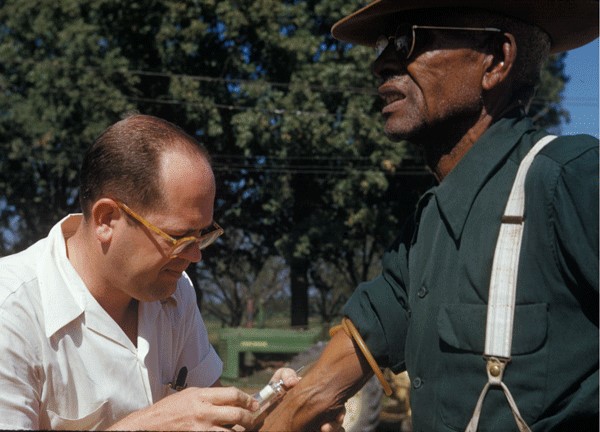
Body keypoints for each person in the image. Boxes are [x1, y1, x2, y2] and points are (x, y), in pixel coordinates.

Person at [261, 1, 599, 431]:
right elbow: (330, 376)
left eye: (406, 40)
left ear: (495, 60)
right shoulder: (427, 229)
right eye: (383, 44)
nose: (382, 63)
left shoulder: (571, 178)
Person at [0, 114, 306, 430]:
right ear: (106, 219)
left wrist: (277, 411)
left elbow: (212, 419)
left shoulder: (175, 291)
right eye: (178, 237)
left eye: (202, 234)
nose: (195, 255)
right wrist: (148, 425)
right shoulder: (11, 313)